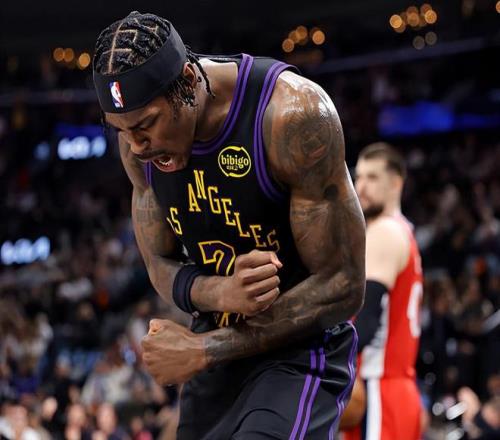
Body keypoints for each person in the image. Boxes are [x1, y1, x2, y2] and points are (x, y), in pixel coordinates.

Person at [92, 11, 365, 439]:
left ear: (187, 81)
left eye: (145, 125)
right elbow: (158, 262)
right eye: (120, 131)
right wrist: (220, 292)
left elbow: (344, 283)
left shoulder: (291, 116)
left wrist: (207, 348)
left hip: (300, 350)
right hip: (215, 352)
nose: (136, 145)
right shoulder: (139, 151)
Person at [341, 143, 423, 440]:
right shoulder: (404, 231)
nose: (361, 187)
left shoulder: (384, 231)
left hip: (379, 388)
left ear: (396, 183)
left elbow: (367, 321)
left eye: (373, 177)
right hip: (396, 389)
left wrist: (324, 364)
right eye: (359, 177)